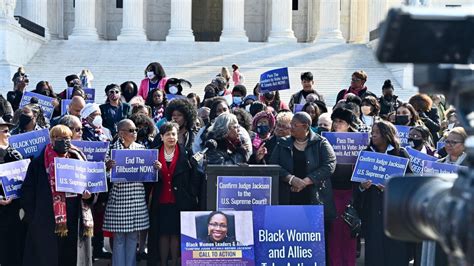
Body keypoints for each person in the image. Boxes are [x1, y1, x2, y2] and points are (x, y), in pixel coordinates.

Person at [21, 125, 93, 266]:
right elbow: (28, 192)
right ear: (52, 140)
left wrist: (89, 196)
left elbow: (91, 186)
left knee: (71, 258)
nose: (64, 141)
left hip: (74, 219)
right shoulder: (39, 164)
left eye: (67, 138)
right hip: (47, 223)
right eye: (59, 138)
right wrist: (34, 218)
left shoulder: (78, 159)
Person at [269, 112, 336, 263]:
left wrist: (305, 181)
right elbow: (274, 166)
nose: (290, 128)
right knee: (291, 241)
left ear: (305, 126)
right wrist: (291, 179)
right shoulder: (282, 143)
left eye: (294, 125)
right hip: (288, 198)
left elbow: (329, 165)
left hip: (314, 199)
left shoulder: (321, 143)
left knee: (314, 243)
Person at [356, 120, 412, 266]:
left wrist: (392, 188)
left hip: (394, 210)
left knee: (395, 250)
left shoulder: (400, 153)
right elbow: (356, 183)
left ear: (387, 135)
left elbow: (410, 181)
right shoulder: (366, 153)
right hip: (372, 209)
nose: (373, 135)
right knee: (374, 250)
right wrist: (362, 186)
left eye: (377, 132)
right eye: (372, 132)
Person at [103, 119, 159, 266]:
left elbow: (148, 175)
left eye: (135, 130)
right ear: (121, 133)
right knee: (119, 239)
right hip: (119, 200)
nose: (135, 133)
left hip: (137, 200)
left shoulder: (142, 150)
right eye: (131, 130)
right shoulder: (111, 151)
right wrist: (107, 167)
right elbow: (103, 176)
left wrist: (155, 168)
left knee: (133, 238)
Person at [148, 122, 199, 266]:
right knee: (163, 234)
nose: (171, 137)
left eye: (174, 134)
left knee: (176, 234)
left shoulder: (187, 153)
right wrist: (155, 171)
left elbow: (195, 176)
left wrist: (190, 194)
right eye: (168, 134)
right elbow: (147, 179)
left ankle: (175, 263)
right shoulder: (153, 153)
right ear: (162, 137)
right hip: (161, 201)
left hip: (180, 201)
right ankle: (163, 263)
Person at [327, 107, 359, 266]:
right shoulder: (326, 140)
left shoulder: (357, 142)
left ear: (348, 125)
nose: (336, 124)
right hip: (332, 191)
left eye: (341, 122)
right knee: (334, 232)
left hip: (350, 193)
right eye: (335, 121)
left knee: (348, 231)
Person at [0, 118, 24, 266]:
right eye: (5, 131)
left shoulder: (13, 153)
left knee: (12, 252)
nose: (9, 134)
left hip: (12, 211)